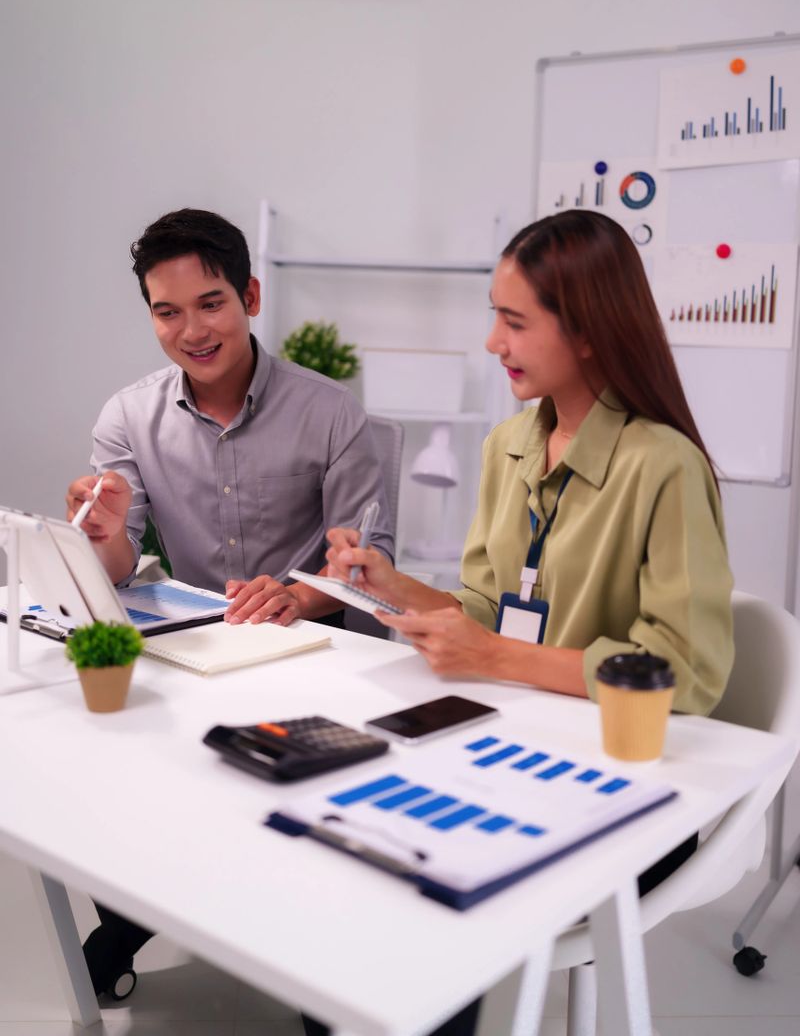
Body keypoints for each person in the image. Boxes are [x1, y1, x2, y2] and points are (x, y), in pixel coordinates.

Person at [322, 209, 734, 1036]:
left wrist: (498, 658)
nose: (492, 342)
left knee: (430, 899)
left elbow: (686, 671)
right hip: (504, 749)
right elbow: (482, 609)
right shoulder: (509, 444)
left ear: (587, 331)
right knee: (351, 859)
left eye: (514, 322)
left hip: (619, 791)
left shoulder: (665, 465)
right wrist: (393, 586)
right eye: (495, 317)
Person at [65, 208, 393, 999]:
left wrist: (297, 595)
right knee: (111, 763)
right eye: (167, 311)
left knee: (298, 824)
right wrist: (102, 533)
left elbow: (366, 563)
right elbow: (117, 564)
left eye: (210, 303)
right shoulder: (127, 417)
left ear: (249, 296)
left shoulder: (331, 413)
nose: (191, 331)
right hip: (198, 650)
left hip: (314, 659)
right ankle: (142, 907)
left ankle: (321, 963)